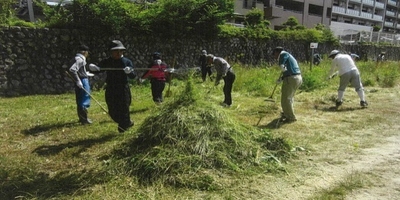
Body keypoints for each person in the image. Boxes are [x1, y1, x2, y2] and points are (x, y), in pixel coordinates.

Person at [88, 40, 136, 133]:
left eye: (120, 51)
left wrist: (129, 72)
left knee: (124, 108)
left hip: (123, 88)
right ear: (111, 52)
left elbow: (133, 76)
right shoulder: (107, 61)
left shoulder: (127, 61)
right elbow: (99, 69)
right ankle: (127, 122)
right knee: (112, 109)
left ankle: (123, 126)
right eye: (116, 51)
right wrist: (95, 68)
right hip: (111, 88)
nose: (118, 53)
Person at [272, 46, 302, 123]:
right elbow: (288, 70)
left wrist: (282, 66)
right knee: (289, 98)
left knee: (285, 99)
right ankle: (287, 113)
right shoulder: (289, 56)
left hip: (291, 79)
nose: (275, 57)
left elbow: (282, 64)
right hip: (297, 78)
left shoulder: (283, 54)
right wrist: (281, 78)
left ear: (277, 52)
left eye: (274, 54)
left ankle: (290, 117)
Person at [69, 44, 93, 125]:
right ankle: (84, 119)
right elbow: (72, 70)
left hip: (80, 79)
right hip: (82, 81)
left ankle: (82, 118)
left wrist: (85, 73)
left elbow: (78, 70)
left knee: (79, 99)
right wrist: (78, 80)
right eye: (87, 52)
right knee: (84, 98)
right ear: (85, 52)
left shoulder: (75, 58)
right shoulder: (80, 59)